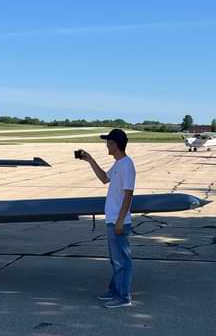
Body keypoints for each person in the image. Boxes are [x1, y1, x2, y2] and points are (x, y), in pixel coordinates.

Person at [78, 128, 136, 309]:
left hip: (119, 221)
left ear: (115, 145)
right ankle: (114, 290)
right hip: (112, 220)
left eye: (108, 143)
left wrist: (120, 220)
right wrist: (90, 160)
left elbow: (128, 195)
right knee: (115, 260)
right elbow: (104, 178)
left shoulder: (127, 165)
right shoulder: (118, 164)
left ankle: (123, 297)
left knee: (122, 261)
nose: (106, 146)